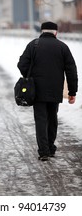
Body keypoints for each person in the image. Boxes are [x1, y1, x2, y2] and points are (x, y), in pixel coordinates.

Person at [17, 21, 78, 161]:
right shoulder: (62, 47)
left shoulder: (33, 44)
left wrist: (29, 76)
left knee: (40, 119)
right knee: (52, 118)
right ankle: (50, 148)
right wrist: (72, 92)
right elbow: (71, 70)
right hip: (55, 90)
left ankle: (43, 151)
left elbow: (21, 64)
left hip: (37, 90)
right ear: (55, 32)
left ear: (42, 31)